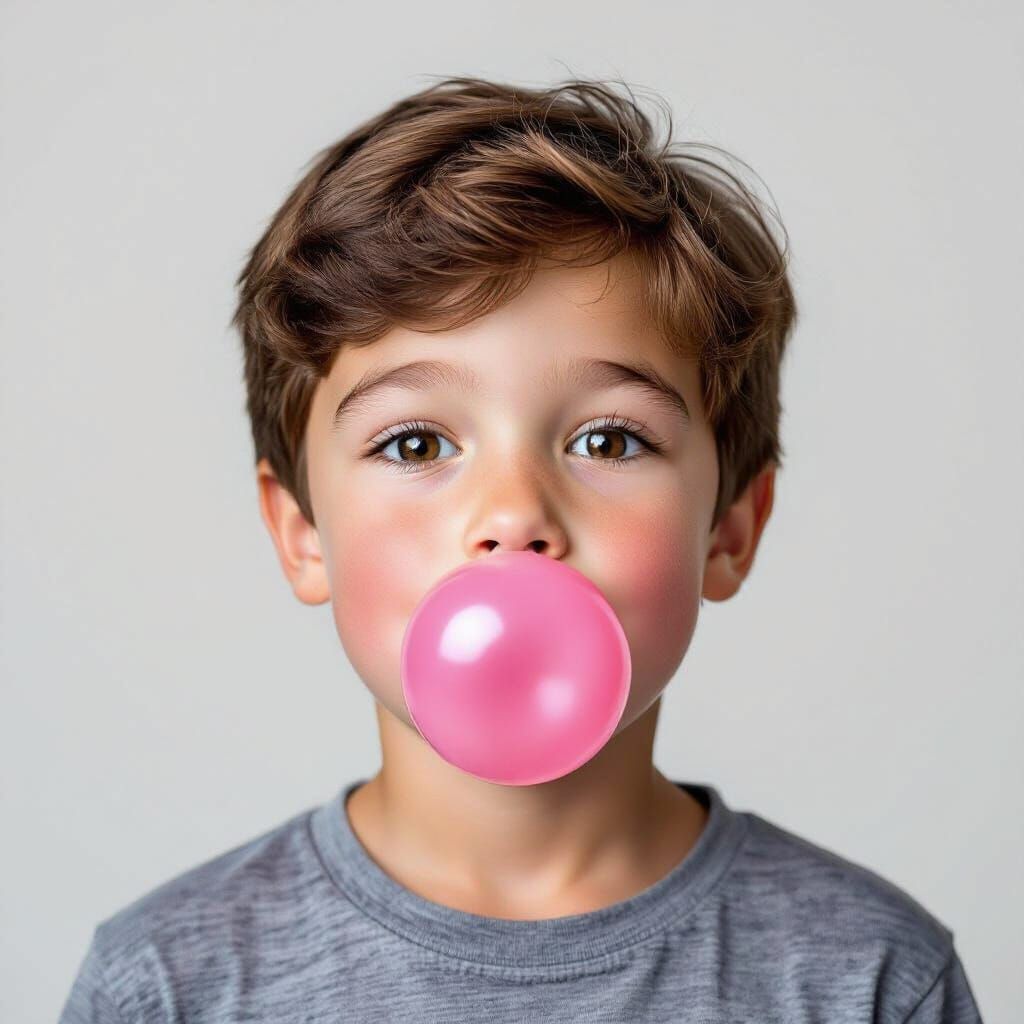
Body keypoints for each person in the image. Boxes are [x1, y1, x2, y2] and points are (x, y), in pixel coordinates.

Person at [59, 75, 985, 1022]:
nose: (513, 516)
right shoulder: (169, 985)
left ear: (729, 529)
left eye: (609, 440)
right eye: (416, 444)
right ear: (301, 532)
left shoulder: (868, 977)